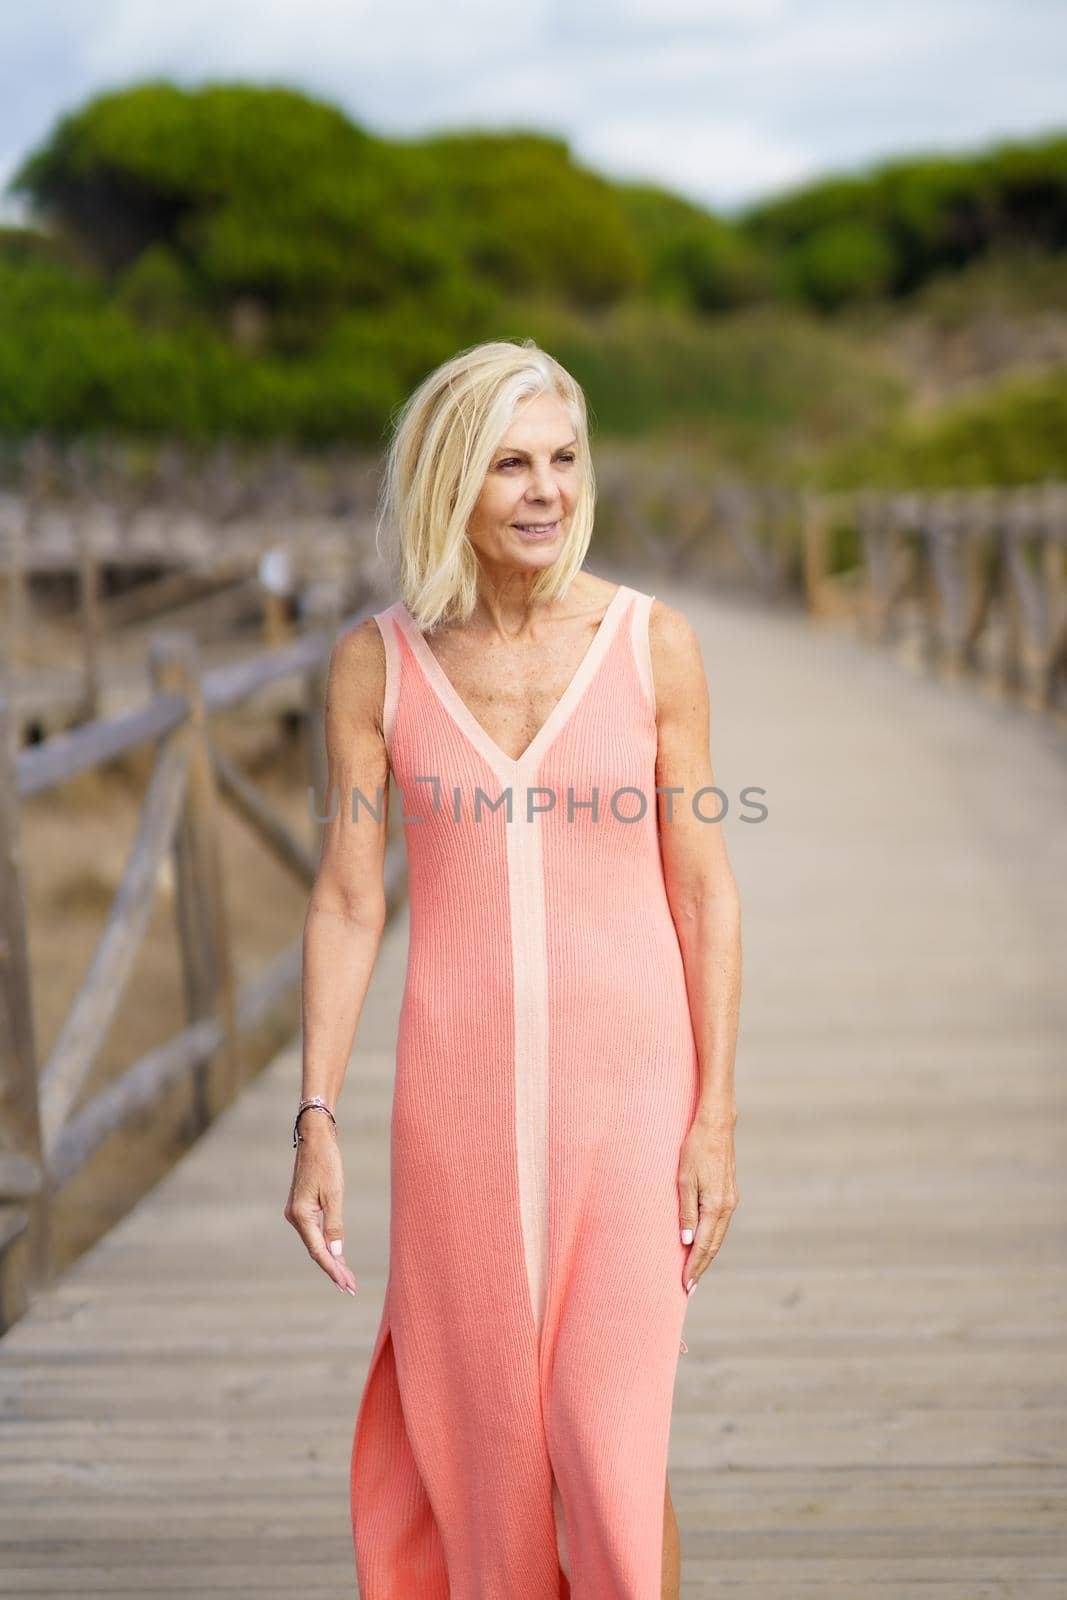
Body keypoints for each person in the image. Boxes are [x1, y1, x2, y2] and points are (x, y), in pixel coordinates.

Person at [284, 338, 742, 1599]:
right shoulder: (377, 665)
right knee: (481, 1455)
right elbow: (343, 899)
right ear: (451, 485)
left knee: (606, 1437)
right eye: (507, 464)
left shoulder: (654, 645)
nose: (544, 489)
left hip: (631, 1099)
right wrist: (315, 1116)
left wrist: (714, 1113)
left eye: (561, 458)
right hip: (456, 1107)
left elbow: (702, 889)